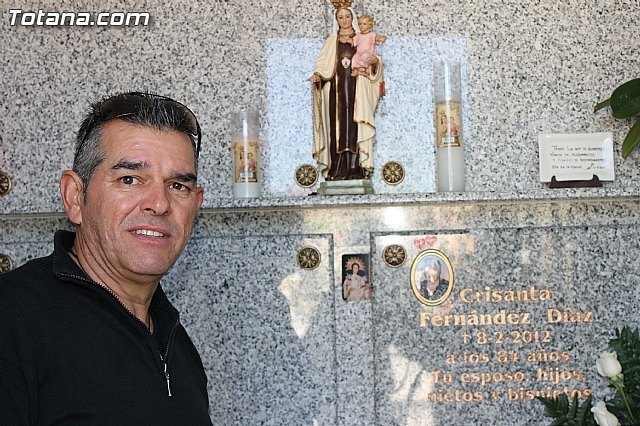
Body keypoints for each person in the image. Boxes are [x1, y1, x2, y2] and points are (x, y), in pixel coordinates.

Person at [0, 92, 212, 424]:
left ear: (196, 206)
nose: (159, 203)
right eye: (130, 179)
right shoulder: (11, 320)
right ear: (75, 197)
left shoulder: (173, 338)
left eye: (178, 186)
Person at [311, 0, 385, 181]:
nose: (344, 20)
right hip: (335, 94)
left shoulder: (362, 39)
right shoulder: (331, 42)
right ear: (336, 20)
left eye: (347, 16)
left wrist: (374, 63)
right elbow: (323, 66)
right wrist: (318, 77)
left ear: (352, 18)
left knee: (354, 128)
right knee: (336, 130)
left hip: (356, 92)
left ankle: (356, 168)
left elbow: (374, 63)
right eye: (340, 17)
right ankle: (336, 169)